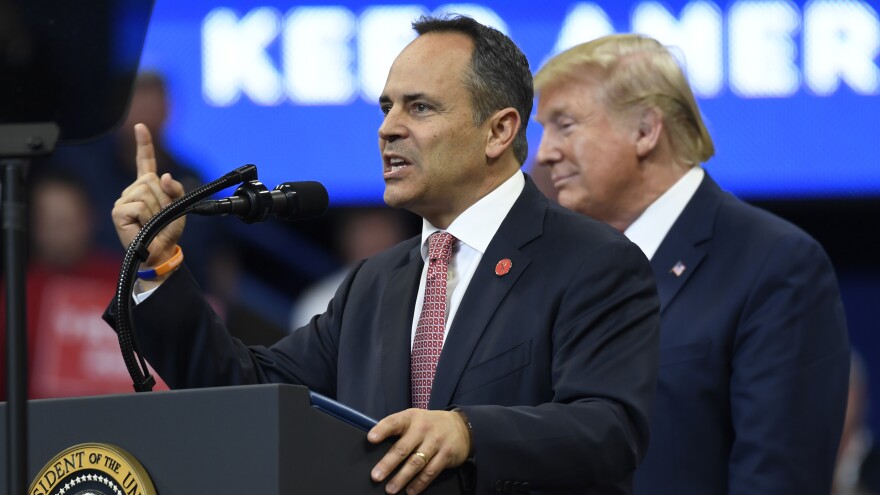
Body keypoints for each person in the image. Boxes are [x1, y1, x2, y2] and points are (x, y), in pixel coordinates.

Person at [104, 16, 661, 494]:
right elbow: (247, 393)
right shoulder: (374, 282)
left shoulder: (592, 261)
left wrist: (468, 432)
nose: (388, 129)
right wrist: (160, 265)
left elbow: (608, 429)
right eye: (387, 107)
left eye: (419, 108)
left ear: (498, 131)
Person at [533, 34, 850, 494]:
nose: (544, 153)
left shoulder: (776, 263)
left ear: (645, 130)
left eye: (564, 125)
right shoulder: (564, 270)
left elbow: (778, 478)